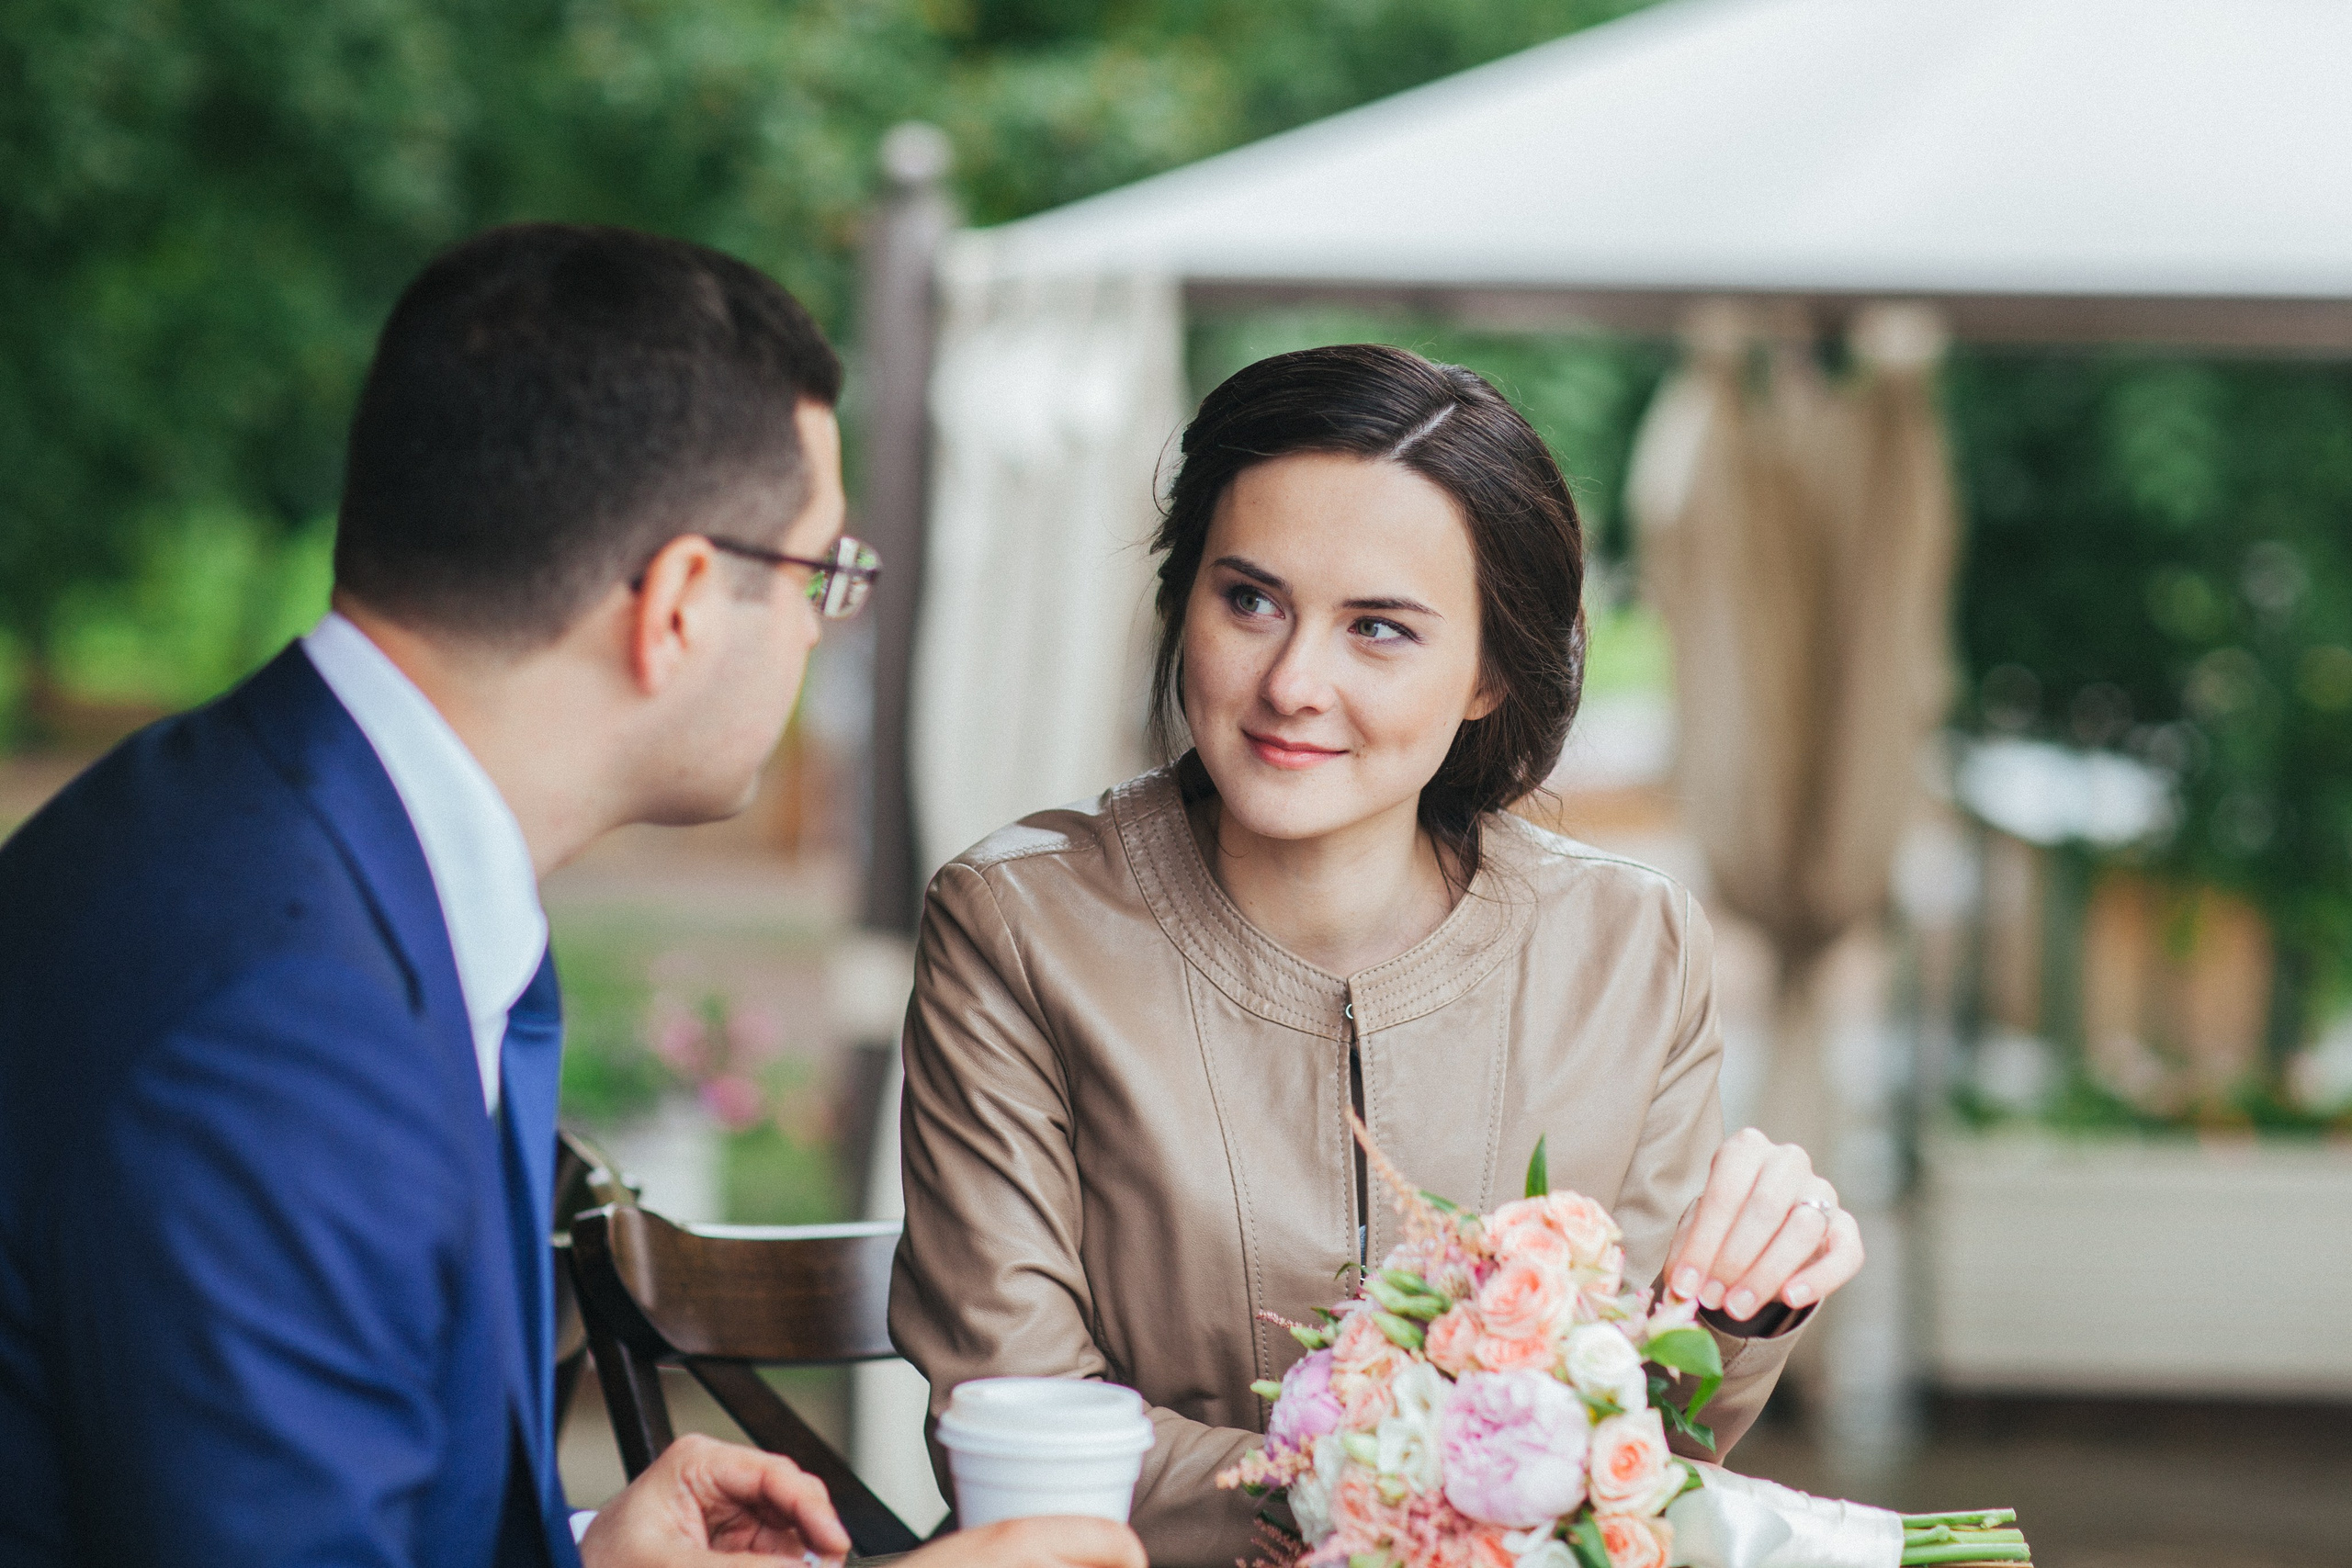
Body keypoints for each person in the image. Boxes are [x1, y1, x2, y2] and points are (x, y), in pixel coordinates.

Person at [0, 223, 1142, 1568]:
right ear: (675, 606)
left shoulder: (240, 817)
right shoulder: (288, 1024)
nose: (822, 625)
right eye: (824, 574)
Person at [888, 344, 1869, 1566]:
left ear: (1491, 675)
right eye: (1248, 600)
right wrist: (1429, 1481)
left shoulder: (1633, 948)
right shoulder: (1021, 929)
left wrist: (1735, 1306)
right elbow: (1015, 1433)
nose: (1295, 681)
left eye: (1380, 630)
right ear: (1177, 599)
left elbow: (1655, 1454)